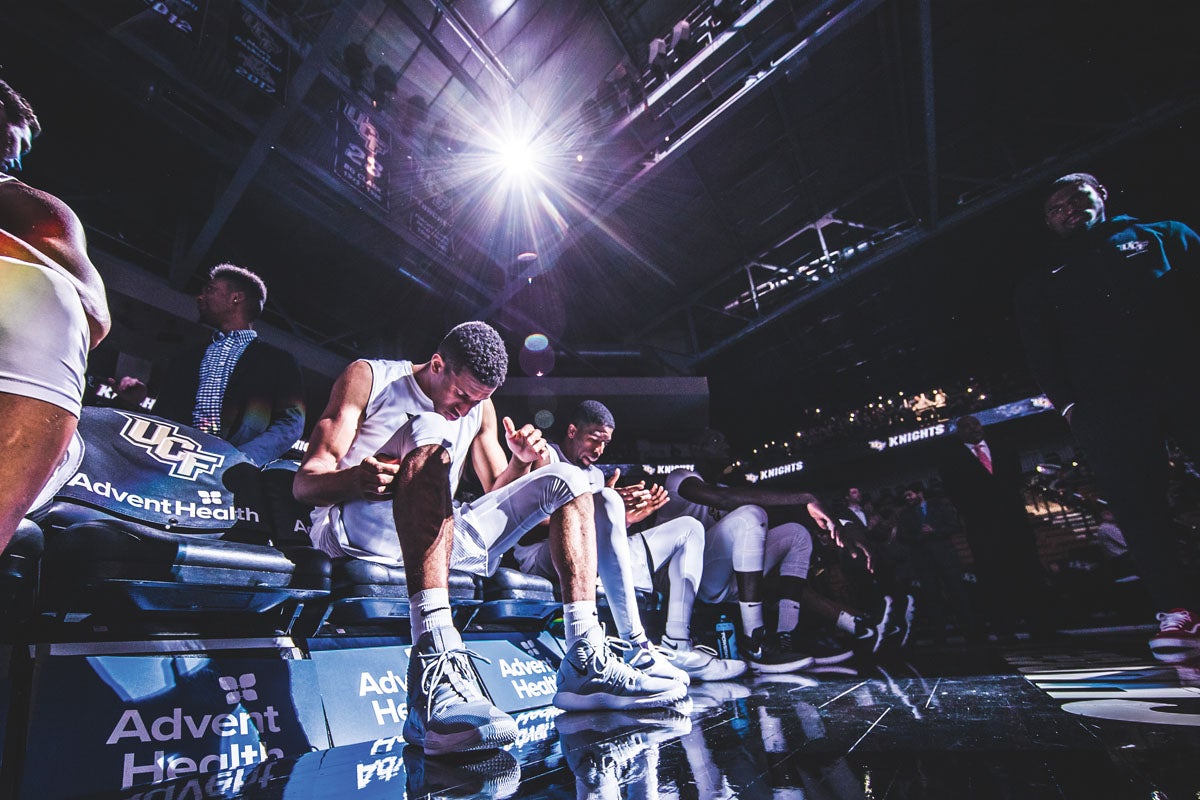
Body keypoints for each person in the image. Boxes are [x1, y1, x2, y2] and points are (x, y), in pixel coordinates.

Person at [295, 322, 684, 756]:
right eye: (461, 395)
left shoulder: (480, 409)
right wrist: (356, 480)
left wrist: (520, 463)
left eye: (476, 401)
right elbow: (305, 484)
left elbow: (495, 496)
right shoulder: (371, 377)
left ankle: (584, 658)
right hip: (353, 524)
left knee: (569, 479)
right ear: (438, 364)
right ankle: (434, 669)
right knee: (429, 426)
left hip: (437, 530)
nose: (465, 410)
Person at [1015, 172, 1200, 661]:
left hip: (1185, 382)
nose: (1067, 210)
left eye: (1075, 198)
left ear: (1101, 195)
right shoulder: (1042, 279)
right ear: (1048, 223)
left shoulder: (1164, 235)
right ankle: (1177, 612)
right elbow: (1041, 350)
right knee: (1139, 507)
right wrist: (1070, 405)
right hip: (1108, 404)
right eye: (1054, 209)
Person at [513, 401, 745, 682]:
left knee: (689, 529)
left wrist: (627, 518)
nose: (599, 451)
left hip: (590, 558)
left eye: (605, 443)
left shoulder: (596, 474)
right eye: (594, 440)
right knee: (608, 499)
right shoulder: (547, 456)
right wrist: (599, 508)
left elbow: (597, 532)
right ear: (572, 431)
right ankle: (636, 645)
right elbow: (526, 524)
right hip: (543, 556)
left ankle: (677, 643)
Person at [658, 430, 889, 672]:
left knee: (796, 534)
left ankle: (784, 640)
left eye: (725, 439)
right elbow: (722, 498)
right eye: (716, 441)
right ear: (697, 450)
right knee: (751, 515)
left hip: (720, 581)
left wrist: (847, 527)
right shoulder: (680, 478)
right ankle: (754, 643)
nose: (725, 444)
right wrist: (805, 497)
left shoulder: (731, 488)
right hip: (682, 581)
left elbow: (792, 511)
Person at [0, 79, 110, 554]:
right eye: (9, 147)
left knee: (52, 298)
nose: (16, 164)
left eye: (17, 156)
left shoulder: (26, 205)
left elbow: (93, 313)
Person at [114, 263, 304, 466]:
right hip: (169, 468)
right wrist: (132, 404)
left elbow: (291, 423)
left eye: (210, 290)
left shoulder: (278, 362)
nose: (200, 297)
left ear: (236, 298)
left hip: (230, 480)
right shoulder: (184, 358)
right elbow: (162, 418)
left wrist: (240, 461)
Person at [938, 415, 1053, 637]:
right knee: (995, 579)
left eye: (976, 424)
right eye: (967, 427)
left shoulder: (1003, 448)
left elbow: (1015, 480)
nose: (973, 429)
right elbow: (955, 494)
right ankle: (1005, 631)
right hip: (983, 529)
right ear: (959, 432)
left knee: (1029, 574)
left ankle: (1042, 627)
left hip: (1015, 524)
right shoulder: (951, 459)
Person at [893, 483, 978, 642]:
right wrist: (920, 536)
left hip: (945, 558)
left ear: (920, 493)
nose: (908, 499)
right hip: (923, 562)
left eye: (910, 495)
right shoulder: (905, 515)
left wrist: (935, 531)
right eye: (905, 497)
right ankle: (940, 634)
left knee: (958, 594)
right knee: (932, 598)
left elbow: (954, 526)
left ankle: (970, 631)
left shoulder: (939, 506)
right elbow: (902, 537)